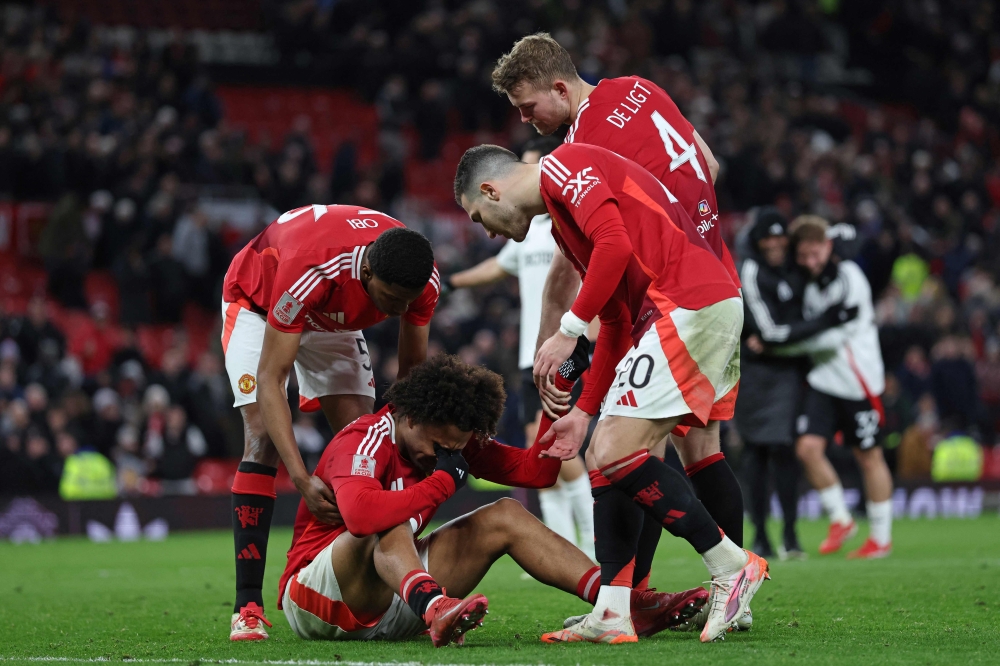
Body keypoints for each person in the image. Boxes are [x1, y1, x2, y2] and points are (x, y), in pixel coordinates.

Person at [454, 143, 768, 644]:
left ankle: (731, 564)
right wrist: (583, 409)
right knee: (603, 456)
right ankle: (613, 611)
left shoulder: (564, 165)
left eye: (478, 216)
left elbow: (615, 247)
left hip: (686, 303)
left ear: (491, 190)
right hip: (666, 314)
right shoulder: (560, 218)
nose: (486, 231)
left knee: (617, 449)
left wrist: (568, 328)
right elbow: (617, 317)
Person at [491, 33, 746, 606]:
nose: (530, 123)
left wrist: (552, 335)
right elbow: (708, 160)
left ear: (560, 87)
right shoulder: (640, 88)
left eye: (530, 107)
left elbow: (583, 250)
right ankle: (716, 590)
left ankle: (645, 592)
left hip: (666, 292)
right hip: (715, 271)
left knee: (628, 448)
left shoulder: (581, 146)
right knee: (700, 447)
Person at [279, 355, 708, 646]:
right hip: (316, 600)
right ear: (410, 417)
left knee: (504, 513)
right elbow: (358, 516)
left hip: (397, 601)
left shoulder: (452, 443)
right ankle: (435, 605)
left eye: (455, 448)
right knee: (389, 515)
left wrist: (554, 407)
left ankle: (619, 603)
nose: (441, 455)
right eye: (438, 444)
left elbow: (536, 472)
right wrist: (442, 483)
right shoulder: (364, 438)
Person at [221, 204, 440, 640]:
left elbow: (411, 371)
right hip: (261, 305)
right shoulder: (313, 267)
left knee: (365, 446)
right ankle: (247, 604)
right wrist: (300, 477)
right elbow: (271, 377)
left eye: (407, 302)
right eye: (392, 298)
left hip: (331, 320)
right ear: (368, 274)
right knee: (261, 437)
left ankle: (361, 578)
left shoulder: (422, 280)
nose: (399, 310)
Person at [443, 136, 594, 559]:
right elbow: (496, 266)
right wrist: (452, 281)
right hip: (536, 356)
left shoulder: (568, 223)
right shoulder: (523, 232)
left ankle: (594, 542)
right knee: (542, 452)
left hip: (567, 349)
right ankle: (562, 547)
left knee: (564, 452)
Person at [768, 216, 893, 559]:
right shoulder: (809, 285)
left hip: (858, 381)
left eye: (816, 253)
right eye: (804, 256)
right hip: (825, 380)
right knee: (808, 449)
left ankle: (880, 539)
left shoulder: (850, 277)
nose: (811, 261)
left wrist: (782, 343)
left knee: (869, 457)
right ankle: (841, 519)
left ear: (827, 247)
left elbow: (835, 337)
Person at [737, 208, 857, 559]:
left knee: (784, 450)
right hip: (756, 374)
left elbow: (833, 246)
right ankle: (761, 536)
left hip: (788, 372)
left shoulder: (796, 267)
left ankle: (790, 535)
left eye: (779, 238)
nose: (774, 244)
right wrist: (824, 322)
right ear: (757, 242)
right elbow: (768, 331)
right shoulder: (752, 270)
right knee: (756, 453)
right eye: (767, 239)